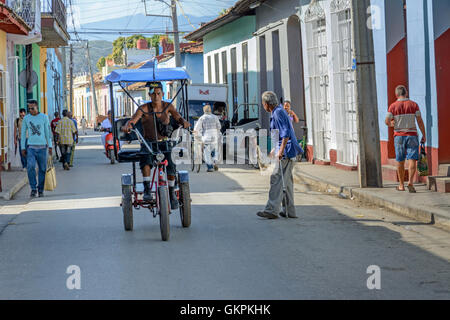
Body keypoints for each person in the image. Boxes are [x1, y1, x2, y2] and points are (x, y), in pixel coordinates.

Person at [122, 82, 190, 208]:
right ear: (149, 95)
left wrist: (184, 122)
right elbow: (133, 120)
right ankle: (147, 188)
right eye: (153, 94)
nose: (156, 96)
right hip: (148, 143)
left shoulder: (168, 106)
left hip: (165, 142)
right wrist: (128, 126)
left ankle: (171, 192)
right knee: (145, 159)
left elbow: (178, 117)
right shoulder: (144, 108)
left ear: (162, 94)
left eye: (158, 93)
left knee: (171, 162)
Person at [257, 91, 303, 219]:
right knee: (286, 182)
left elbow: (286, 133)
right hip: (287, 150)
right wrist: (274, 149)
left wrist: (281, 151)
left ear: (267, 104)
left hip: (287, 152)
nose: (263, 106)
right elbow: (278, 134)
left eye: (263, 104)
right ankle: (289, 211)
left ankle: (272, 210)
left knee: (276, 179)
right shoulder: (276, 112)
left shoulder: (278, 112)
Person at [385, 85, 426, 193]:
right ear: (406, 93)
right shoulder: (414, 105)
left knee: (400, 160)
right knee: (412, 159)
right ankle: (411, 182)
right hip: (412, 135)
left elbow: (387, 121)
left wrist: (391, 124)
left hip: (399, 136)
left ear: (396, 94)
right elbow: (419, 121)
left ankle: (401, 185)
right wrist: (424, 134)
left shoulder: (393, 106)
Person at [21, 100, 53, 198]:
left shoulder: (44, 117)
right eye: (29, 108)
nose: (30, 110)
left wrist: (50, 145)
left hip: (42, 147)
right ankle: (33, 189)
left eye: (32, 108)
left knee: (42, 169)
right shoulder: (26, 118)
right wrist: (23, 147)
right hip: (31, 147)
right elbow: (23, 134)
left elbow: (47, 132)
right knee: (30, 167)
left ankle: (40, 190)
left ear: (37, 107)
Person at [193, 104, 221, 172]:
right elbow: (219, 127)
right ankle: (215, 161)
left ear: (204, 110)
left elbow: (197, 128)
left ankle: (210, 167)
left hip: (206, 137)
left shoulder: (202, 118)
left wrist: (195, 133)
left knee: (207, 152)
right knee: (214, 150)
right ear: (210, 110)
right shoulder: (215, 117)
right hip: (215, 136)